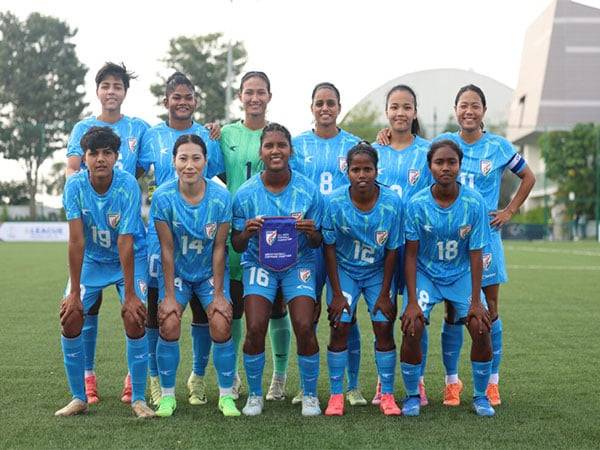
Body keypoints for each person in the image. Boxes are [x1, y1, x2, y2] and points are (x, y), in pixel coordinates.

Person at [433, 85, 535, 407]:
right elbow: (413, 148)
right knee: (453, 311)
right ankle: (452, 382)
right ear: (456, 109)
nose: (469, 111)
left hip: (486, 239)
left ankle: (492, 382)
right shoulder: (445, 144)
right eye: (463, 106)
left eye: (474, 106)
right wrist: (383, 136)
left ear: (483, 111)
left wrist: (509, 210)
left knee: (490, 310)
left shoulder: (498, 146)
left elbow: (528, 177)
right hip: (452, 240)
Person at [65, 62, 149, 404]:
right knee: (77, 311)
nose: (111, 91)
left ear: (125, 92)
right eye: (106, 86)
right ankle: (85, 384)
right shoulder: (82, 129)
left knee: (136, 311)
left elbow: (150, 162)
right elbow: (75, 239)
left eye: (117, 86)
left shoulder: (139, 129)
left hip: (125, 233)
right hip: (93, 239)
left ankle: (136, 387)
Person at [138, 72, 224, 406]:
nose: (182, 102)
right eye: (176, 96)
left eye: (188, 96)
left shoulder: (207, 135)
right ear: (166, 101)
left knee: (203, 316)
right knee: (156, 314)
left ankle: (198, 378)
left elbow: (218, 180)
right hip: (159, 240)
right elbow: (134, 175)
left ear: (196, 101)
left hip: (198, 243)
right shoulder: (150, 135)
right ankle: (156, 379)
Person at [56, 126, 153, 418]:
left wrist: (132, 294)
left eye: (107, 153)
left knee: (134, 317)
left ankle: (137, 398)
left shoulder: (127, 186)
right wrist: (74, 292)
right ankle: (79, 397)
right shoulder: (74, 186)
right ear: (84, 157)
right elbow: (76, 240)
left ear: (116, 157)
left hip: (130, 256)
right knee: (70, 316)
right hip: (92, 262)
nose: (100, 159)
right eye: (93, 153)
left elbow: (125, 241)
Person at [231, 123, 323, 417]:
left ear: (290, 150)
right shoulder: (245, 194)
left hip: (299, 263)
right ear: (260, 152)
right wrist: (246, 232)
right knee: (256, 326)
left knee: (305, 325)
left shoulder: (308, 190)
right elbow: (236, 244)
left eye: (281, 145)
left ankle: (310, 394)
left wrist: (311, 232)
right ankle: (255, 394)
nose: (275, 151)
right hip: (260, 264)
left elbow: (320, 240)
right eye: (269, 146)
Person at [400, 139, 495, 417]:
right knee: (413, 324)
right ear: (430, 166)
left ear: (459, 165)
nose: (445, 168)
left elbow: (476, 254)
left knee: (480, 325)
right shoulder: (417, 204)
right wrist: (412, 301)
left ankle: (480, 396)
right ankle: (412, 395)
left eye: (451, 162)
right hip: (426, 275)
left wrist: (476, 300)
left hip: (460, 274)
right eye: (439, 162)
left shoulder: (474, 202)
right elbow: (410, 256)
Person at [151, 134, 238, 417]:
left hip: (207, 272)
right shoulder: (163, 196)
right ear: (174, 161)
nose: (189, 165)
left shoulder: (221, 197)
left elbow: (220, 248)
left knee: (222, 321)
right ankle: (167, 396)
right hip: (177, 271)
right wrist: (169, 297)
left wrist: (218, 295)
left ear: (205, 161)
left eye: (196, 158)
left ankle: (226, 396)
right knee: (169, 321)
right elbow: (166, 249)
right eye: (183, 158)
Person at [289, 82, 364, 406]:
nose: (325, 108)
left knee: (346, 313)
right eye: (319, 103)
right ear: (311, 107)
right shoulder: (297, 144)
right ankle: (306, 386)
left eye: (330, 103)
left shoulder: (353, 144)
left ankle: (353, 385)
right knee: (308, 312)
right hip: (307, 243)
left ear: (339, 107)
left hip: (343, 243)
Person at [220, 71, 292, 401]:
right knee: (235, 306)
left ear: (269, 96)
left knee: (277, 307)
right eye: (248, 92)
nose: (254, 98)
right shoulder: (225, 134)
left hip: (274, 233)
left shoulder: (276, 135)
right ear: (240, 96)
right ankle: (232, 375)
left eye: (260, 92)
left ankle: (279, 376)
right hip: (237, 231)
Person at [322, 142, 403, 416]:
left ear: (376, 171)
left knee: (383, 325)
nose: (362, 175)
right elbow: (329, 249)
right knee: (340, 325)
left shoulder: (392, 203)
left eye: (367, 169)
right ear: (347, 171)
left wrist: (384, 293)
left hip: (378, 272)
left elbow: (392, 251)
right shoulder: (333, 202)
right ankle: (336, 396)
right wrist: (335, 292)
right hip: (345, 271)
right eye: (356, 169)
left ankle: (388, 395)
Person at [373, 84, 432, 406]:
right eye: (394, 107)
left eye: (406, 107)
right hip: (380, 249)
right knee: (382, 316)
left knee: (414, 319)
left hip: (415, 249)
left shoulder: (428, 150)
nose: (400, 113)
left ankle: (416, 380)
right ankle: (384, 384)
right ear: (387, 112)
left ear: (415, 112)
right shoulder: (374, 150)